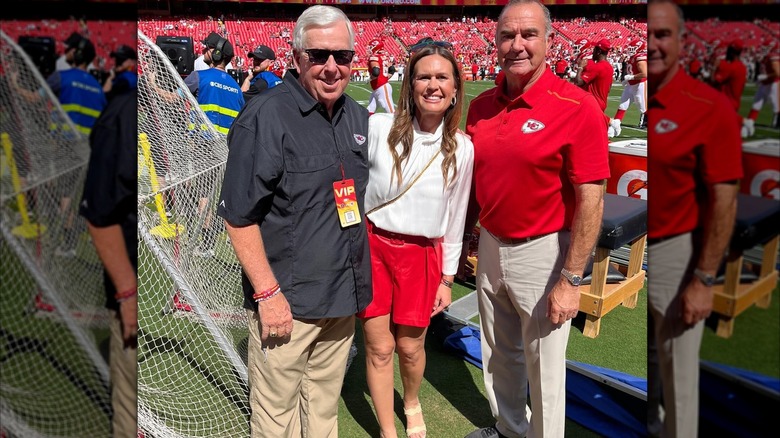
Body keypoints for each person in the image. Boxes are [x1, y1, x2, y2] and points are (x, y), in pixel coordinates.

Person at [216, 5, 372, 437]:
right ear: (297, 55)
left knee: (322, 413)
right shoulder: (265, 116)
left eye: (341, 56)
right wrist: (267, 295)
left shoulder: (356, 116)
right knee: (276, 421)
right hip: (288, 305)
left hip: (341, 299)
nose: (331, 67)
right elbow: (239, 217)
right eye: (318, 55)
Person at [460, 1, 609, 437]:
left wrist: (571, 278)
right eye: (507, 36)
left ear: (547, 39)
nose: (517, 45)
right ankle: (509, 430)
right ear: (495, 43)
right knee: (498, 353)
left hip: (543, 253)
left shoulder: (576, 106)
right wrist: (469, 238)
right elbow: (475, 182)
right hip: (490, 244)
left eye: (528, 35)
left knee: (544, 365)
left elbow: (591, 200)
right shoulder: (481, 106)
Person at [360, 43, 473, 438]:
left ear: (455, 88)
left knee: (410, 348)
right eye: (423, 76)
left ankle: (410, 399)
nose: (432, 85)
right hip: (373, 250)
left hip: (423, 257)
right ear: (409, 84)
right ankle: (389, 430)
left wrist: (447, 278)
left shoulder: (462, 147)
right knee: (379, 349)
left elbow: (456, 217)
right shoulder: (378, 128)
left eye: (442, 77)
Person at [646, 2, 742, 437]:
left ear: (682, 40)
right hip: (634, 243)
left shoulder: (709, 106)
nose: (652, 43)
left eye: (662, 34)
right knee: (650, 369)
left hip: (673, 253)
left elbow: (726, 200)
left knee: (678, 380)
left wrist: (704, 278)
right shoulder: (644, 97)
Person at [79, 86, 138, 437]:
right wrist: (127, 294)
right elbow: (99, 214)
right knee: (128, 408)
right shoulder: (122, 112)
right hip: (128, 296)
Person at [184, 35, 245, 256]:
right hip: (225, 149)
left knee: (203, 196)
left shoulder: (199, 76)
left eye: (208, 49)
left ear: (216, 54)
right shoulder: (235, 88)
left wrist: (153, 83)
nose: (205, 51)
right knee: (218, 194)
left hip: (203, 145)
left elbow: (173, 98)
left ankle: (207, 243)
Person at [611, 38, 648, 136]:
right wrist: (627, 80)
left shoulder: (640, 57)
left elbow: (645, 73)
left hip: (640, 84)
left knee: (643, 109)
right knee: (622, 106)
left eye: (633, 48)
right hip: (631, 85)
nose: (630, 49)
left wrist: (631, 77)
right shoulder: (634, 57)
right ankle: (614, 127)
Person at [742, 40, 779, 136]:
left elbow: (778, 73)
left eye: (764, 48)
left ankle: (777, 125)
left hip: (773, 84)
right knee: (756, 104)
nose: (762, 50)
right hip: (765, 84)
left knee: (776, 107)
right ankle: (749, 123)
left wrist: (766, 76)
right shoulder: (766, 57)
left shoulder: (773, 57)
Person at [710, 39, 747, 114]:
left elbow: (713, 82)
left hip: (726, 104)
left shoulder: (731, 67)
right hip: (735, 103)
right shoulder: (742, 67)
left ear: (732, 52)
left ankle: (746, 123)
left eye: (728, 50)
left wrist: (713, 68)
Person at [367, 38, 395, 114]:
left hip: (381, 87)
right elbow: (392, 69)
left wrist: (370, 78)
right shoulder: (385, 57)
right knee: (369, 111)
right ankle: (368, 125)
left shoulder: (374, 57)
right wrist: (385, 78)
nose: (369, 48)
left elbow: (376, 72)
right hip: (379, 87)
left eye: (371, 46)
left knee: (391, 112)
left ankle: (401, 125)